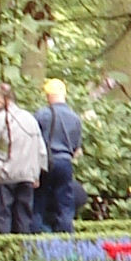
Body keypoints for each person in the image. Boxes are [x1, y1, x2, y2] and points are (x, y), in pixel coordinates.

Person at [0, 81, 45, 235]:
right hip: (27, 175)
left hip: (3, 175)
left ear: (4, 100)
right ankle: (22, 252)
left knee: (2, 218)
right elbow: (41, 149)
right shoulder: (30, 119)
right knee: (23, 218)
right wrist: (36, 174)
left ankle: (4, 251)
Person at [36, 78, 84, 232]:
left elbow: (34, 140)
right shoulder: (75, 118)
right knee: (64, 203)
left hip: (46, 162)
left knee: (39, 201)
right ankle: (65, 235)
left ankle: (37, 234)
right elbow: (77, 147)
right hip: (65, 163)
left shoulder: (42, 114)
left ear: (48, 95)